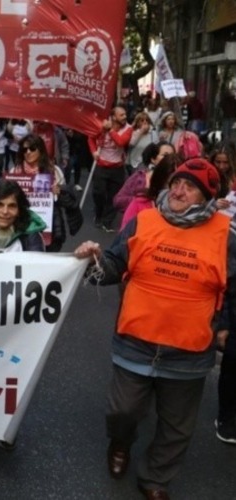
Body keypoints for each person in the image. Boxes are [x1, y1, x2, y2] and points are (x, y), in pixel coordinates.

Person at [74, 158, 236, 500]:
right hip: (136, 342)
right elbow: (116, 264)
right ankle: (120, 442)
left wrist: (224, 327)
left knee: (176, 426)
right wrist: (95, 260)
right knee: (123, 411)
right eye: (176, 182)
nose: (178, 190)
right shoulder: (144, 221)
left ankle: (155, 479)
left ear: (207, 196)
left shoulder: (226, 236)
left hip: (189, 351)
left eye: (189, 186)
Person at [8, 134, 81, 252]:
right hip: (20, 225)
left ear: (40, 150)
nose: (28, 152)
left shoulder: (53, 171)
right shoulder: (15, 172)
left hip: (49, 224)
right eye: (24, 149)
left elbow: (69, 201)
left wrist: (59, 192)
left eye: (32, 149)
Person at [88, 107, 132, 232]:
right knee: (99, 193)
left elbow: (121, 142)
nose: (125, 117)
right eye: (121, 115)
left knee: (114, 196)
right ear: (113, 117)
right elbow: (91, 138)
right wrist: (93, 152)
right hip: (101, 165)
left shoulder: (128, 128)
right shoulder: (101, 126)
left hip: (117, 167)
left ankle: (107, 221)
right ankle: (99, 213)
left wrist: (110, 130)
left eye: (125, 114)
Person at [119, 154, 178, 230]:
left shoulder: (189, 216)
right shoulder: (140, 204)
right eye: (169, 183)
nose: (177, 191)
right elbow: (124, 237)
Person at [113, 142, 176, 213]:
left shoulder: (177, 182)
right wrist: (141, 202)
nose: (169, 159)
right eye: (165, 155)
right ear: (153, 159)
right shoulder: (139, 176)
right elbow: (118, 201)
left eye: (172, 156)